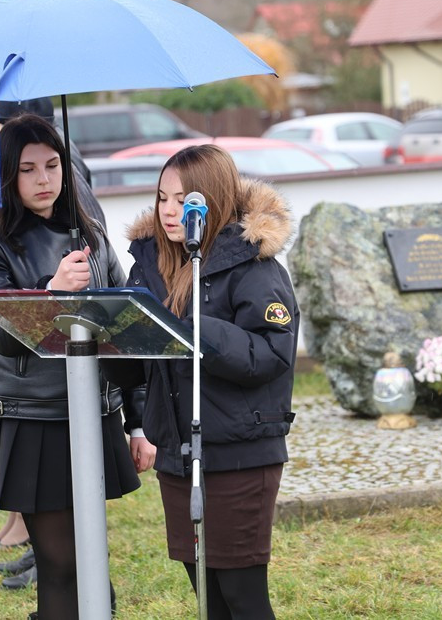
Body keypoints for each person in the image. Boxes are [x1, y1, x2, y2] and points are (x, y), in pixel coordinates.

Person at [0, 113, 145, 618]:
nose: (44, 180)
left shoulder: (90, 236)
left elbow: (127, 331)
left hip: (94, 411)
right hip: (32, 417)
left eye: (53, 165)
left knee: (93, 568)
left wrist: (139, 421)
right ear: (7, 177)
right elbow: (1, 336)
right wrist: (51, 291)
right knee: (62, 567)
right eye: (28, 169)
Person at [111, 144, 298, 619]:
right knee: (206, 594)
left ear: (211, 203)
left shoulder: (253, 267)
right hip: (179, 453)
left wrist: (200, 329)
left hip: (239, 452)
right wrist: (108, 332)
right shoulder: (149, 265)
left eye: (182, 200)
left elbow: (272, 354)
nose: (169, 211)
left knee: (241, 594)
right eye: (161, 198)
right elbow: (139, 364)